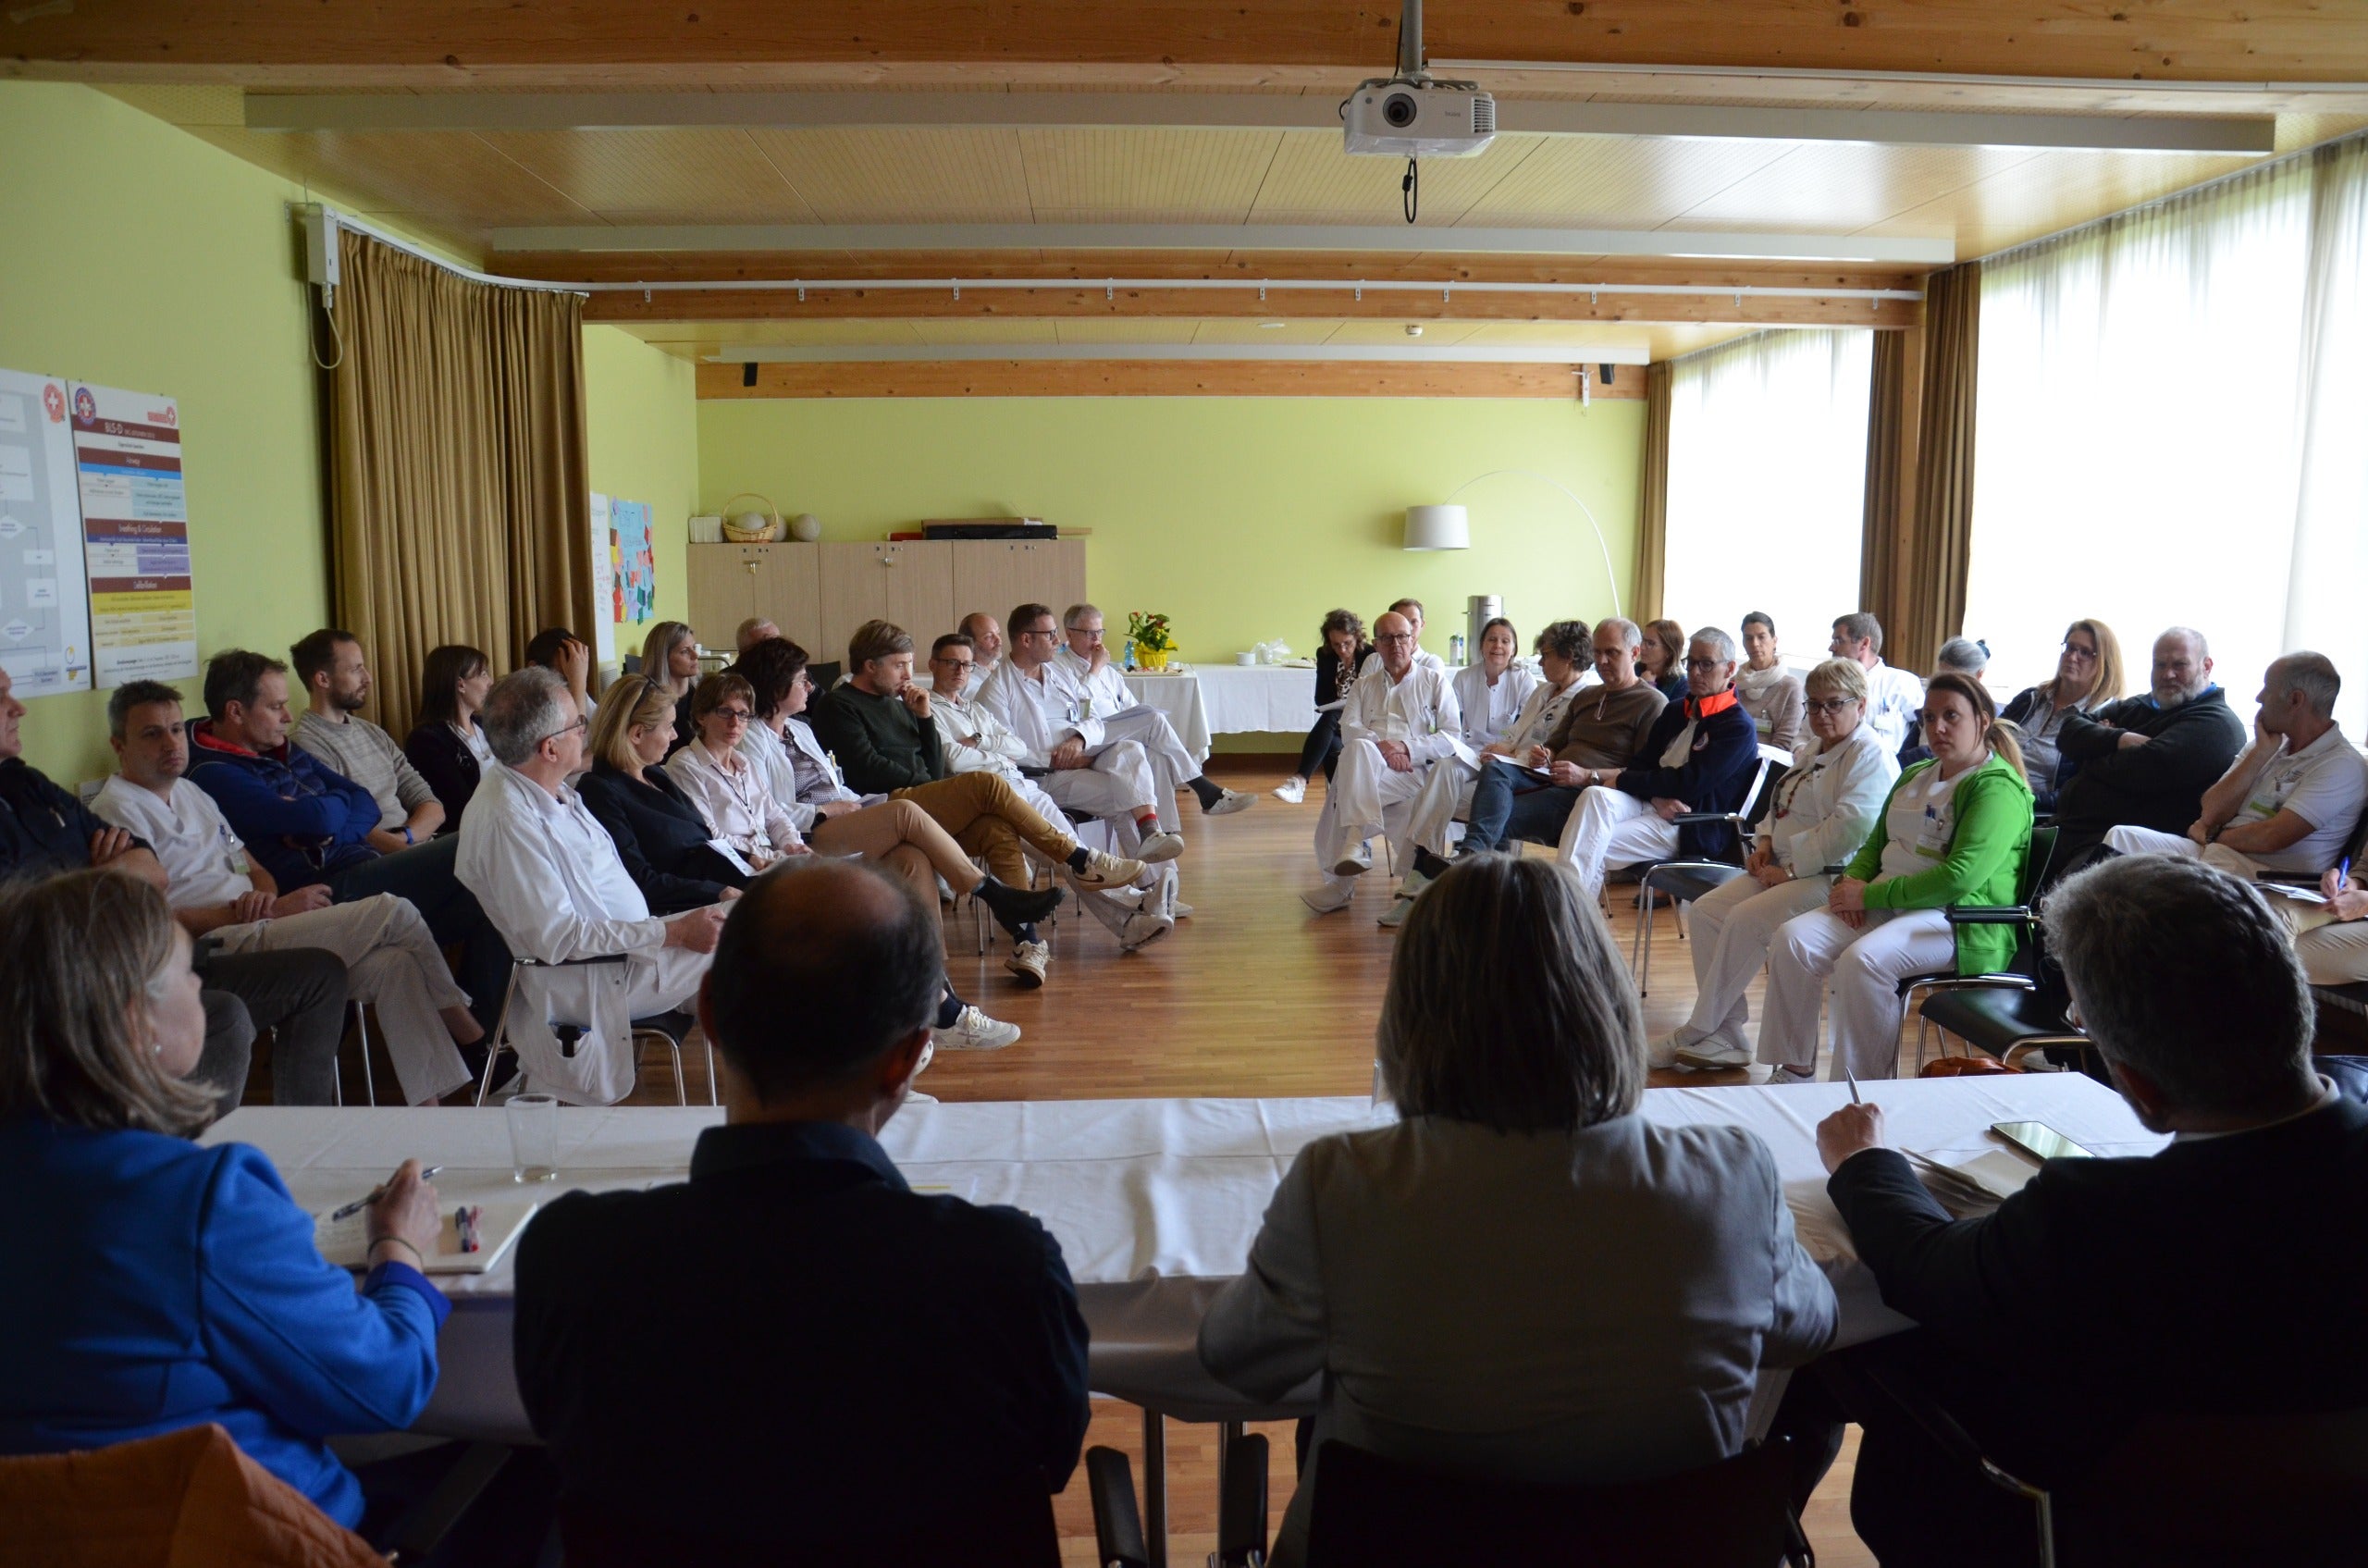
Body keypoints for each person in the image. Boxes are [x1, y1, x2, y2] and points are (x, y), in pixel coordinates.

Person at [1201, 855, 1835, 1568]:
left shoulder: (1343, 1184)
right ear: (1608, 999)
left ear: (1413, 1011)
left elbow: (1236, 1358)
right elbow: (1810, 1327)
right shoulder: (1733, 1178)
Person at [1795, 854, 2368, 1567]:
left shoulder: (2094, 1217)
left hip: (2085, 1519)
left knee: (1830, 1342)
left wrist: (1863, 1163)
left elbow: (1926, 1268)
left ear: (2136, 1084)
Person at [514, 861, 1092, 1557]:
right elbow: (1051, 1458)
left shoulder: (573, 1259)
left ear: (711, 1018)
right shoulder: (1005, 1272)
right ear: (909, 1057)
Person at [0, 869, 447, 1532]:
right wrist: (400, 1248)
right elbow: (386, 1385)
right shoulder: (198, 1200)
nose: (201, 987)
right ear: (135, 1018)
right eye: (186, 971)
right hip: (253, 1536)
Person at [97, 681, 487, 1106]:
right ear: (120, 745)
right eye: (152, 734)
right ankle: (468, 1027)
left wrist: (267, 897)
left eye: (175, 729)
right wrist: (250, 910)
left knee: (396, 964)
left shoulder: (190, 791)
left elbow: (253, 866)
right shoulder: (115, 814)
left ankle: (434, 1114)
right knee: (393, 911)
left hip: (260, 918)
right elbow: (154, 919)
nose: (171, 742)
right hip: (215, 943)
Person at [583, 679, 1029, 1046]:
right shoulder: (604, 790)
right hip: (703, 902)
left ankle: (923, 1014)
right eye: (666, 726)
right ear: (636, 734)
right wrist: (722, 888)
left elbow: (711, 841)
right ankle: (910, 1026)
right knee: (853, 908)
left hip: (740, 874)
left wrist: (770, 857)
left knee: (896, 878)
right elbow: (640, 878)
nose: (675, 734)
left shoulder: (655, 775)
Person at [0, 666, 339, 1116]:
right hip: (78, 982)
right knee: (387, 920)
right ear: (119, 746)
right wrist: (102, 876)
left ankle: (300, 1134)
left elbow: (152, 872)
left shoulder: (24, 782)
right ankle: (186, 1160)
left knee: (346, 966)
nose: (18, 708)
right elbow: (24, 915)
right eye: (2, 697)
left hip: (167, 952)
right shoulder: (117, 805)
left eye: (177, 730)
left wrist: (95, 878)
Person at [805, 621, 1153, 980]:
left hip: (922, 800)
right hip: (884, 806)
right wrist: (928, 779)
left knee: (996, 828)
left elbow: (936, 764)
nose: (909, 674)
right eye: (900, 665)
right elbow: (867, 769)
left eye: (910, 663)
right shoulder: (840, 705)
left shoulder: (901, 705)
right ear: (870, 665)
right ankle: (1081, 858)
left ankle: (1027, 943)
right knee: (986, 785)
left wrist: (924, 719)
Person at [187, 648, 508, 1034]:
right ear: (236, 712)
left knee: (496, 897)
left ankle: (489, 1039)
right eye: (276, 707)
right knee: (481, 844)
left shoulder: (281, 749)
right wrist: (326, 812)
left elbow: (362, 802)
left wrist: (326, 818)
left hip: (364, 865)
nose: (287, 716)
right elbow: (319, 814)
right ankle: (479, 1037)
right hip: (327, 891)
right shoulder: (215, 774)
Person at [455, 667, 730, 1105]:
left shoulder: (548, 788)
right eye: (577, 724)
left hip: (634, 950)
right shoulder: (507, 820)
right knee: (760, 937)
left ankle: (778, 1086)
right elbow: (559, 938)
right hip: (599, 977)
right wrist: (674, 932)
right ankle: (794, 1090)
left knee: (762, 919)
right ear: (549, 748)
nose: (587, 729)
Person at [1759, 673, 2034, 1082]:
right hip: (1888, 901)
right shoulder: (1917, 773)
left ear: (1983, 720)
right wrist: (1849, 888)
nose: (1937, 727)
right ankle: (1795, 1069)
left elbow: (1958, 878)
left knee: (1863, 961)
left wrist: (1868, 897)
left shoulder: (1996, 789)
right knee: (1794, 939)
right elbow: (1874, 844)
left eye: (1951, 716)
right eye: (1929, 716)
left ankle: (1860, 1089)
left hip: (1959, 921)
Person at [1661, 659, 1899, 1070]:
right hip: (1785, 866)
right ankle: (1727, 1034)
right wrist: (1766, 841)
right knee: (1707, 911)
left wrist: (1789, 870)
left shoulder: (1870, 756)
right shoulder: (1812, 749)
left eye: (1834, 705)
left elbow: (1852, 828)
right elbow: (1781, 800)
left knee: (1747, 919)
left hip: (1833, 875)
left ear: (1860, 705)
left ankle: (1700, 1029)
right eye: (1814, 705)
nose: (1821, 715)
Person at [927, 633, 1175, 956]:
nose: (960, 671)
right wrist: (996, 749)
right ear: (933, 665)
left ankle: (1130, 917)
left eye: (966, 664)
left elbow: (1018, 747)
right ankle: (1135, 905)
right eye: (951, 663)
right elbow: (954, 759)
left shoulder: (974, 710)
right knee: (1068, 851)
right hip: (988, 798)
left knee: (1070, 850)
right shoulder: (928, 709)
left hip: (1021, 785)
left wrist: (980, 740)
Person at [1386, 618, 1595, 927]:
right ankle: (1421, 871)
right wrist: (1503, 746)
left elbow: (1555, 751)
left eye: (1547, 654)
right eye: (1491, 640)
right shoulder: (1545, 690)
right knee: (1444, 770)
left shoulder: (1583, 696)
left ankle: (1422, 873)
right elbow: (1518, 730)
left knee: (1448, 796)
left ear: (1568, 657)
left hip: (1532, 775)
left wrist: (1511, 752)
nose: (1541, 661)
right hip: (1501, 760)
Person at [2103, 652, 2366, 884]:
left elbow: (2273, 836)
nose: (2259, 697)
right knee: (2122, 838)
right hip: (2218, 854)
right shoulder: (2265, 744)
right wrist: (2260, 755)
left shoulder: (2342, 764)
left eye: (2267, 689)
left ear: (2296, 700)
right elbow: (2211, 808)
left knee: (2152, 885)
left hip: (2264, 873)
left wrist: (2215, 834)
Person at [1551, 626, 1761, 899]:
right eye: (1692, 663)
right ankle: (1570, 917)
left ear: (1730, 668)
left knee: (1590, 843)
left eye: (1706, 664)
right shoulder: (1676, 710)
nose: (1696, 672)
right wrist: (1656, 795)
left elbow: (1689, 784)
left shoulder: (1737, 727)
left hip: (1687, 822)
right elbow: (1641, 764)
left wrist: (1628, 781)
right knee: (1595, 796)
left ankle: (1564, 914)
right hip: (1655, 803)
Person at [971, 610, 1189, 870]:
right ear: (1026, 640)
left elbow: (1094, 716)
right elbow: (1005, 751)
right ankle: (1154, 886)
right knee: (1129, 796)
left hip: (1083, 757)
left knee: (1130, 758)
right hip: (1044, 777)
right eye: (1050, 634)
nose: (1057, 640)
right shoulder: (996, 689)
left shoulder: (1058, 674)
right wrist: (1059, 759)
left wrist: (1079, 741)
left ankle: (1157, 871)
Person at [1450, 617, 1668, 864]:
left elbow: (1642, 773)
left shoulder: (1651, 703)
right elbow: (1554, 744)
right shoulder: (1587, 696)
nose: (1602, 661)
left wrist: (1586, 775)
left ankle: (1471, 864)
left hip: (1587, 793)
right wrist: (1546, 754)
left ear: (1634, 653)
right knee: (1494, 770)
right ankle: (1477, 867)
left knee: (1500, 816)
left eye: (1612, 653)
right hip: (1551, 778)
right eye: (1597, 652)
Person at [1300, 611, 1463, 915]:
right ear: (1375, 644)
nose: (1395, 644)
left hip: (1413, 770)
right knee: (1359, 752)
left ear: (1413, 639)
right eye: (1386, 638)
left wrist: (1405, 747)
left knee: (1345, 790)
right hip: (1371, 767)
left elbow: (1452, 736)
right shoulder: (1365, 685)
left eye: (1402, 636)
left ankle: (1351, 854)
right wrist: (1383, 747)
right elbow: (1348, 729)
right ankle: (1412, 891)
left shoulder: (1434, 682)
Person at [2046, 626, 2247, 872]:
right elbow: (2068, 732)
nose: (2168, 674)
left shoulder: (2217, 725)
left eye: (2180, 665)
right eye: (2160, 664)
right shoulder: (2140, 705)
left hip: (2130, 855)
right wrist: (2123, 739)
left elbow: (2142, 769)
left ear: (2206, 666)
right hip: (2067, 830)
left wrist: (2090, 754)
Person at [1052, 601, 1256, 821]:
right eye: (1089, 633)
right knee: (1153, 719)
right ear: (1070, 634)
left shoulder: (1110, 673)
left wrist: (1102, 671)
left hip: (1115, 742)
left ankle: (1164, 835)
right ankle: (1204, 789)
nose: (1097, 640)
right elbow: (1081, 709)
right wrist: (1095, 669)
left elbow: (1131, 709)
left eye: (1100, 632)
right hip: (1086, 741)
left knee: (1157, 757)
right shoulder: (1059, 667)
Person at [288, 629, 446, 851]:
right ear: (323, 679)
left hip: (412, 845)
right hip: (374, 859)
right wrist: (408, 851)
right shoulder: (305, 743)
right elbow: (343, 826)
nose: (368, 678)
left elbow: (431, 805)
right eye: (356, 669)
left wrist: (407, 837)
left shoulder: (372, 732)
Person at [1999, 619, 2124, 811]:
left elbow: (2078, 794)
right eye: (2070, 648)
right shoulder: (2031, 698)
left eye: (2085, 652)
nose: (2072, 657)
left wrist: (2022, 799)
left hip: (2035, 812)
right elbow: (1988, 741)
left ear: (2104, 663)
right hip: (1989, 789)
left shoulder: (2102, 721)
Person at [1275, 609, 1373, 805]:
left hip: (1364, 720)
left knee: (1330, 721)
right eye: (1336, 644)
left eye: (1347, 643)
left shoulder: (1371, 655)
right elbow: (1321, 699)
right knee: (1332, 747)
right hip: (1338, 725)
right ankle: (1346, 808)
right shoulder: (1326, 655)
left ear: (1357, 637)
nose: (1342, 649)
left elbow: (1374, 698)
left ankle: (1300, 780)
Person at [402, 643, 496, 833]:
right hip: (473, 832)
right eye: (483, 674)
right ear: (460, 684)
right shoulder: (426, 741)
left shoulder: (487, 725)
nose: (490, 682)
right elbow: (459, 805)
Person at [1829, 611, 1926, 755]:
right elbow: (1805, 733)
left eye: (1839, 641)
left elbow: (1925, 729)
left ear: (1864, 644)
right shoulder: (1830, 682)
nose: (1831, 648)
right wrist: (1799, 747)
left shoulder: (1902, 682)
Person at [1449, 616, 1540, 755]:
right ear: (1481, 645)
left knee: (1491, 774)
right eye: (1492, 639)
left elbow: (1529, 727)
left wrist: (1507, 751)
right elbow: (1454, 723)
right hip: (1470, 749)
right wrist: (1460, 751)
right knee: (1445, 767)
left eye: (1505, 641)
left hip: (1508, 753)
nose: (1498, 645)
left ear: (1514, 649)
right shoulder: (1463, 678)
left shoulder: (1524, 680)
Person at [1894, 637, 1992, 767]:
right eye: (1942, 677)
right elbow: (1900, 762)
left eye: (1951, 715)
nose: (1946, 686)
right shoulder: (1931, 705)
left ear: (1979, 675)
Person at [1736, 611, 1805, 751]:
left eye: (1761, 637)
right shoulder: (1733, 684)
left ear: (1774, 641)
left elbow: (1784, 742)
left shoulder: (1790, 687)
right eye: (1748, 638)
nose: (1755, 644)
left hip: (1768, 763)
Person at [638, 619, 701, 749]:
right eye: (685, 651)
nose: (695, 655)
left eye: (694, 648)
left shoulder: (703, 696)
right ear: (663, 657)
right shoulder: (648, 704)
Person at [524, 626, 598, 732]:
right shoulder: (526, 710)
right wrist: (578, 685)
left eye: (577, 676)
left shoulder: (576, 690)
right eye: (563, 679)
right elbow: (575, 743)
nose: (571, 687)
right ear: (534, 670)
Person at [1355, 598, 1446, 676]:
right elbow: (1362, 693)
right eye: (1403, 621)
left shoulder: (1431, 663)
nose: (1409, 628)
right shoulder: (1374, 660)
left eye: (1414, 622)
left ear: (1422, 624)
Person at [1638, 617, 1689, 702]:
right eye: (1642, 640)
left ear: (1669, 650)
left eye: (1650, 643)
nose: (1642, 647)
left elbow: (1667, 714)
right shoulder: (1635, 669)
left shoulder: (1682, 684)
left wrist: (1648, 687)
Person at [956, 611, 1004, 697]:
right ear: (971, 643)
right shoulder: (961, 679)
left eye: (998, 633)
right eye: (989, 636)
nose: (998, 640)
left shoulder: (1005, 670)